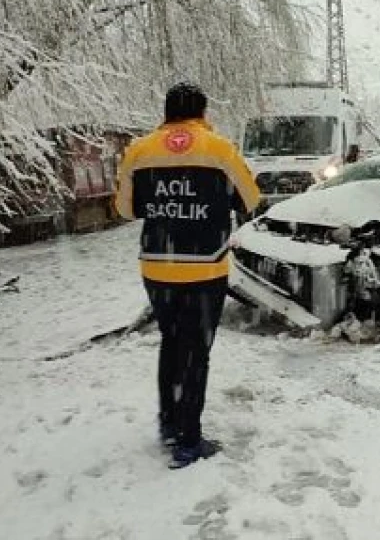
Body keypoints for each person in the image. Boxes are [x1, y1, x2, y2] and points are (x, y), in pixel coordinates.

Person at [114, 82, 260, 469]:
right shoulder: (221, 149)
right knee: (197, 352)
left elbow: (126, 210)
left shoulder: (138, 151)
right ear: (202, 113)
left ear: (166, 113)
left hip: (157, 266)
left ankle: (168, 423)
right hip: (204, 267)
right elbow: (251, 200)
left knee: (171, 342)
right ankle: (188, 441)